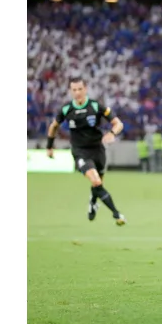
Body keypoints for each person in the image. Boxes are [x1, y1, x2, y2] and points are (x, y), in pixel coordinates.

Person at [46, 77, 126, 225]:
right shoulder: (66, 109)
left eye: (79, 89)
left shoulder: (96, 106)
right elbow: (53, 127)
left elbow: (118, 123)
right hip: (80, 152)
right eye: (74, 90)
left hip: (98, 150)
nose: (77, 92)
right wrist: (49, 146)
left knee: (98, 184)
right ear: (70, 91)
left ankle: (93, 202)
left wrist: (112, 133)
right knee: (95, 181)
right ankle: (117, 214)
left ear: (85, 89)